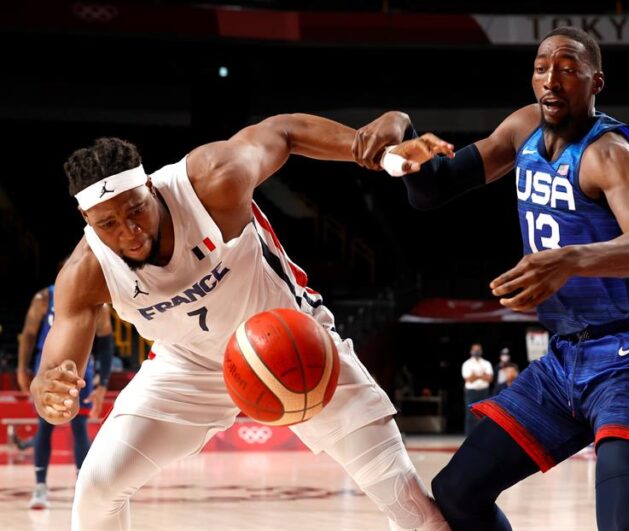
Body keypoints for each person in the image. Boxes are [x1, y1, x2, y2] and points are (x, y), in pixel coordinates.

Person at [353, 26, 629, 531]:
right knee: (458, 493)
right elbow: (434, 189)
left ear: (595, 82)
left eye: (568, 69)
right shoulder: (523, 127)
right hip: (567, 355)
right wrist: (403, 138)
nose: (551, 79)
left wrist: (569, 260)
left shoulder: (609, 152)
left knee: (627, 524)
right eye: (542, 68)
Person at [29, 116, 447, 531]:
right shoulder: (86, 273)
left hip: (292, 343)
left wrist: (380, 155)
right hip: (187, 367)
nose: (130, 231)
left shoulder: (211, 181)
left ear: (151, 187)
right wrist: (51, 394)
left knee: (416, 513)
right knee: (97, 488)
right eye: (108, 224)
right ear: (87, 220)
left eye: (136, 209)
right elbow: (51, 376)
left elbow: (284, 132)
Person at [16, 279, 114, 509]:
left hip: (81, 369)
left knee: (79, 427)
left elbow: (106, 342)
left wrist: (103, 384)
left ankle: (83, 487)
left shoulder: (97, 302)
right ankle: (40, 487)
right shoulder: (44, 298)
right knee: (45, 425)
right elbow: (28, 334)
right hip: (48, 368)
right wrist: (22, 368)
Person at [461, 343, 493, 434]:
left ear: (481, 351)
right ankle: (469, 435)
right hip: (471, 392)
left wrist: (475, 375)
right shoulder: (467, 364)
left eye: (478, 350)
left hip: (484, 392)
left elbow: (490, 378)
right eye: (475, 350)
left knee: (484, 414)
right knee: (470, 415)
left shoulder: (486, 363)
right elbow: (468, 379)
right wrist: (482, 375)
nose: (476, 351)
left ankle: (483, 435)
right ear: (471, 351)